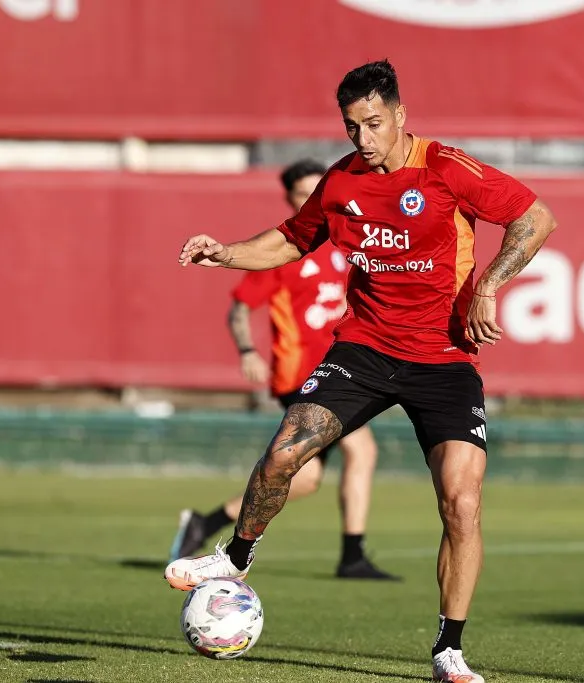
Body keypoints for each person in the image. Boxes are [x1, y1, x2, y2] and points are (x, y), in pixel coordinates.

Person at [166, 59, 557, 683]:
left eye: (374, 124)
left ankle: (449, 650)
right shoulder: (342, 181)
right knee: (283, 455)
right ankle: (234, 558)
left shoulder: (447, 169)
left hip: (444, 361)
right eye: (352, 127)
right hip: (365, 351)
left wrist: (489, 284)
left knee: (462, 502)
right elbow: (296, 238)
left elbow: (535, 219)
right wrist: (228, 254)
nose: (363, 139)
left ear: (401, 115)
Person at [169, 160, 398, 581]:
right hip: (301, 375)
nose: (314, 199)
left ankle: (207, 524)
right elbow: (240, 306)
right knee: (361, 449)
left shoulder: (347, 245)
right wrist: (246, 349)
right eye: (302, 193)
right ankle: (352, 555)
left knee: (305, 479)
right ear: (291, 199)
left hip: (344, 370)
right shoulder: (287, 250)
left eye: (318, 190)